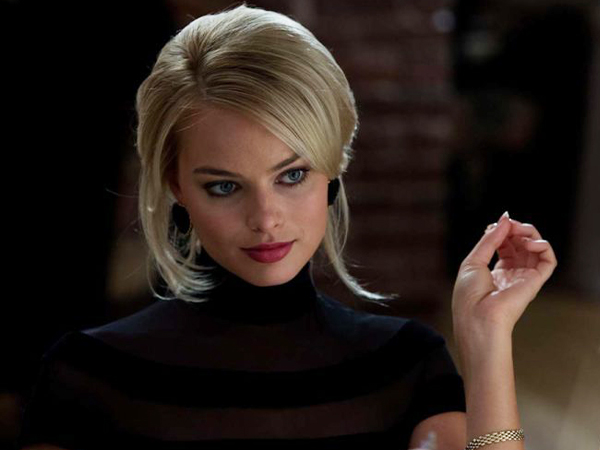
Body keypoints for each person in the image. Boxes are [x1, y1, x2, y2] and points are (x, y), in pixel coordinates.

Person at [17, 4, 557, 450]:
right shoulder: (88, 374)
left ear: (332, 168)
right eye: (223, 186)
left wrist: (486, 341)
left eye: (291, 175)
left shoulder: (405, 365)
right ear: (175, 185)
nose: (265, 218)